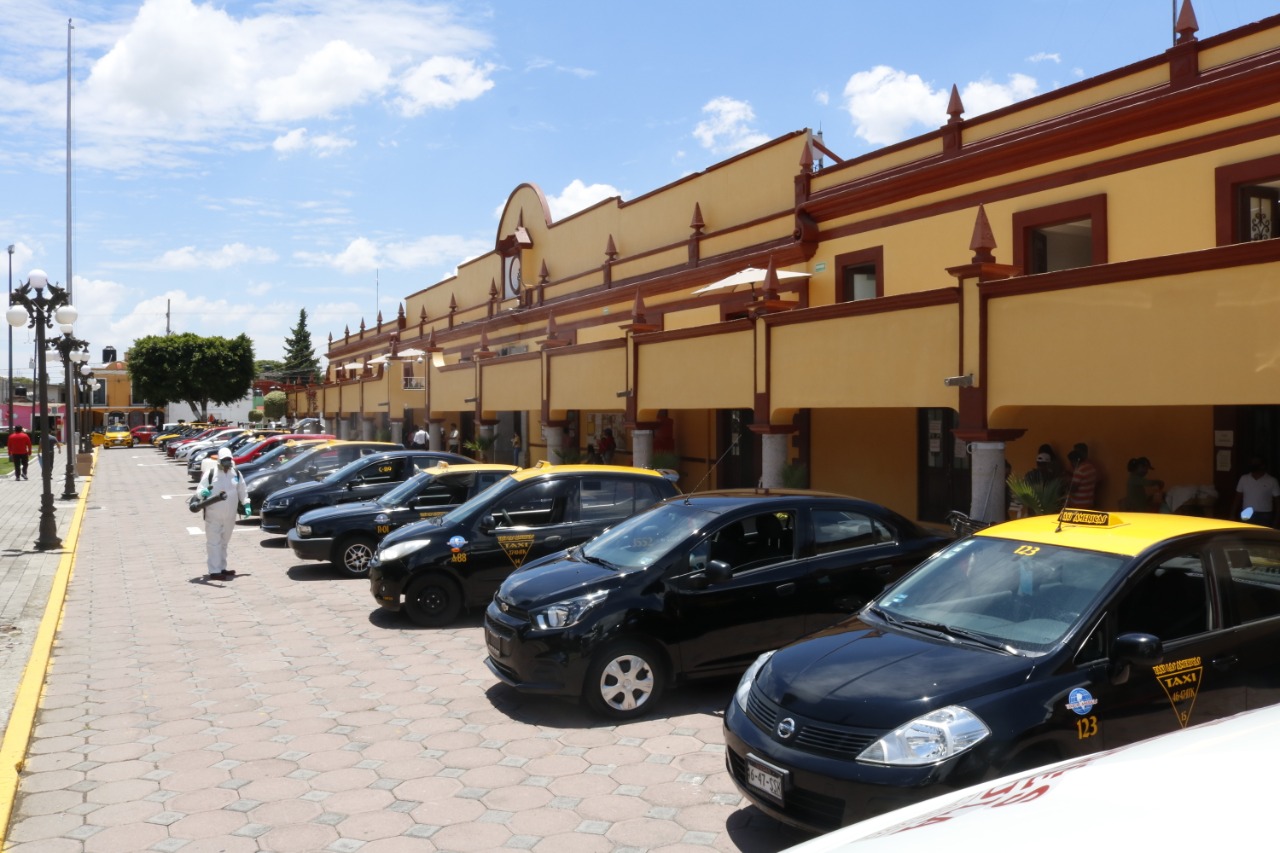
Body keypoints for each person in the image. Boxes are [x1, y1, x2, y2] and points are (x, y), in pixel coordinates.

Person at [199, 447, 250, 581]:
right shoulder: (211, 474)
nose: (227, 463)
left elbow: (242, 490)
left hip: (230, 515)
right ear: (219, 461)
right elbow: (200, 490)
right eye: (224, 460)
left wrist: (246, 504)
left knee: (224, 542)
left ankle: (222, 567)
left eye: (229, 460)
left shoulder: (236, 474)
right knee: (214, 543)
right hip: (213, 515)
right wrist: (202, 493)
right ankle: (214, 571)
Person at [1232, 456, 1280, 526]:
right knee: (1247, 535)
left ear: (1263, 466)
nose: (1253, 465)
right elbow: (1237, 498)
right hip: (1247, 513)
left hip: (1265, 514)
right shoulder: (1244, 479)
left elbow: (1278, 502)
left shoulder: (1272, 481)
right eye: (1252, 463)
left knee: (1263, 536)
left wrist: (1277, 520)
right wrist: (1232, 514)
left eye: (1255, 463)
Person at [1066, 443, 1100, 509]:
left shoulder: (1079, 470)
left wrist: (1067, 481)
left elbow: (1073, 489)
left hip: (1078, 505)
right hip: (1089, 503)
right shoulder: (1092, 467)